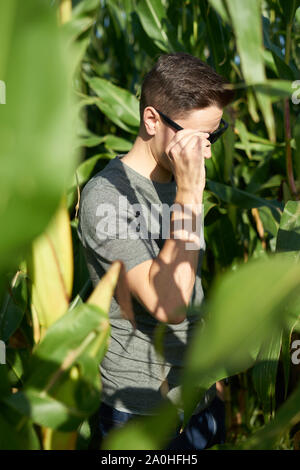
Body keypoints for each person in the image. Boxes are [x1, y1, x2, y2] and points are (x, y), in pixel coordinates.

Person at [77, 52, 234, 450]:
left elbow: (191, 284)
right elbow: (168, 304)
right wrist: (189, 194)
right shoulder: (105, 198)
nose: (208, 154)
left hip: (200, 402)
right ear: (152, 120)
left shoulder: (184, 179)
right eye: (197, 139)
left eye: (214, 136)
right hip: (140, 412)